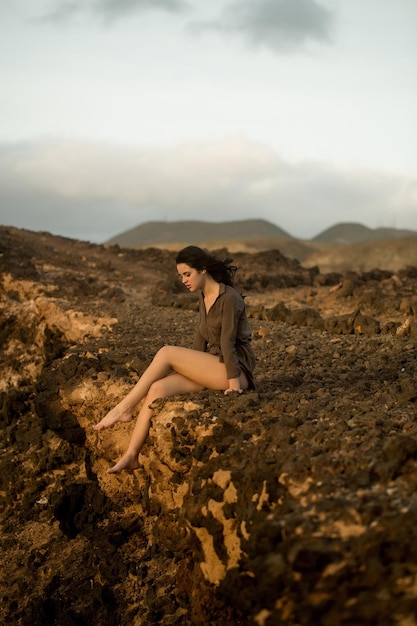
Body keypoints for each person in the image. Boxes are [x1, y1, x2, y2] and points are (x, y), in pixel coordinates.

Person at [93, 245, 256, 474]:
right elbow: (200, 340)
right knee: (158, 388)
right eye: (181, 276)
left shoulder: (229, 297)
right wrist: (186, 369)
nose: (183, 280)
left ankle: (122, 408)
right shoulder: (203, 295)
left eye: (187, 274)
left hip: (236, 370)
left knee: (167, 352)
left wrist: (234, 386)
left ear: (203, 270)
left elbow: (228, 342)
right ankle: (131, 455)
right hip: (214, 365)